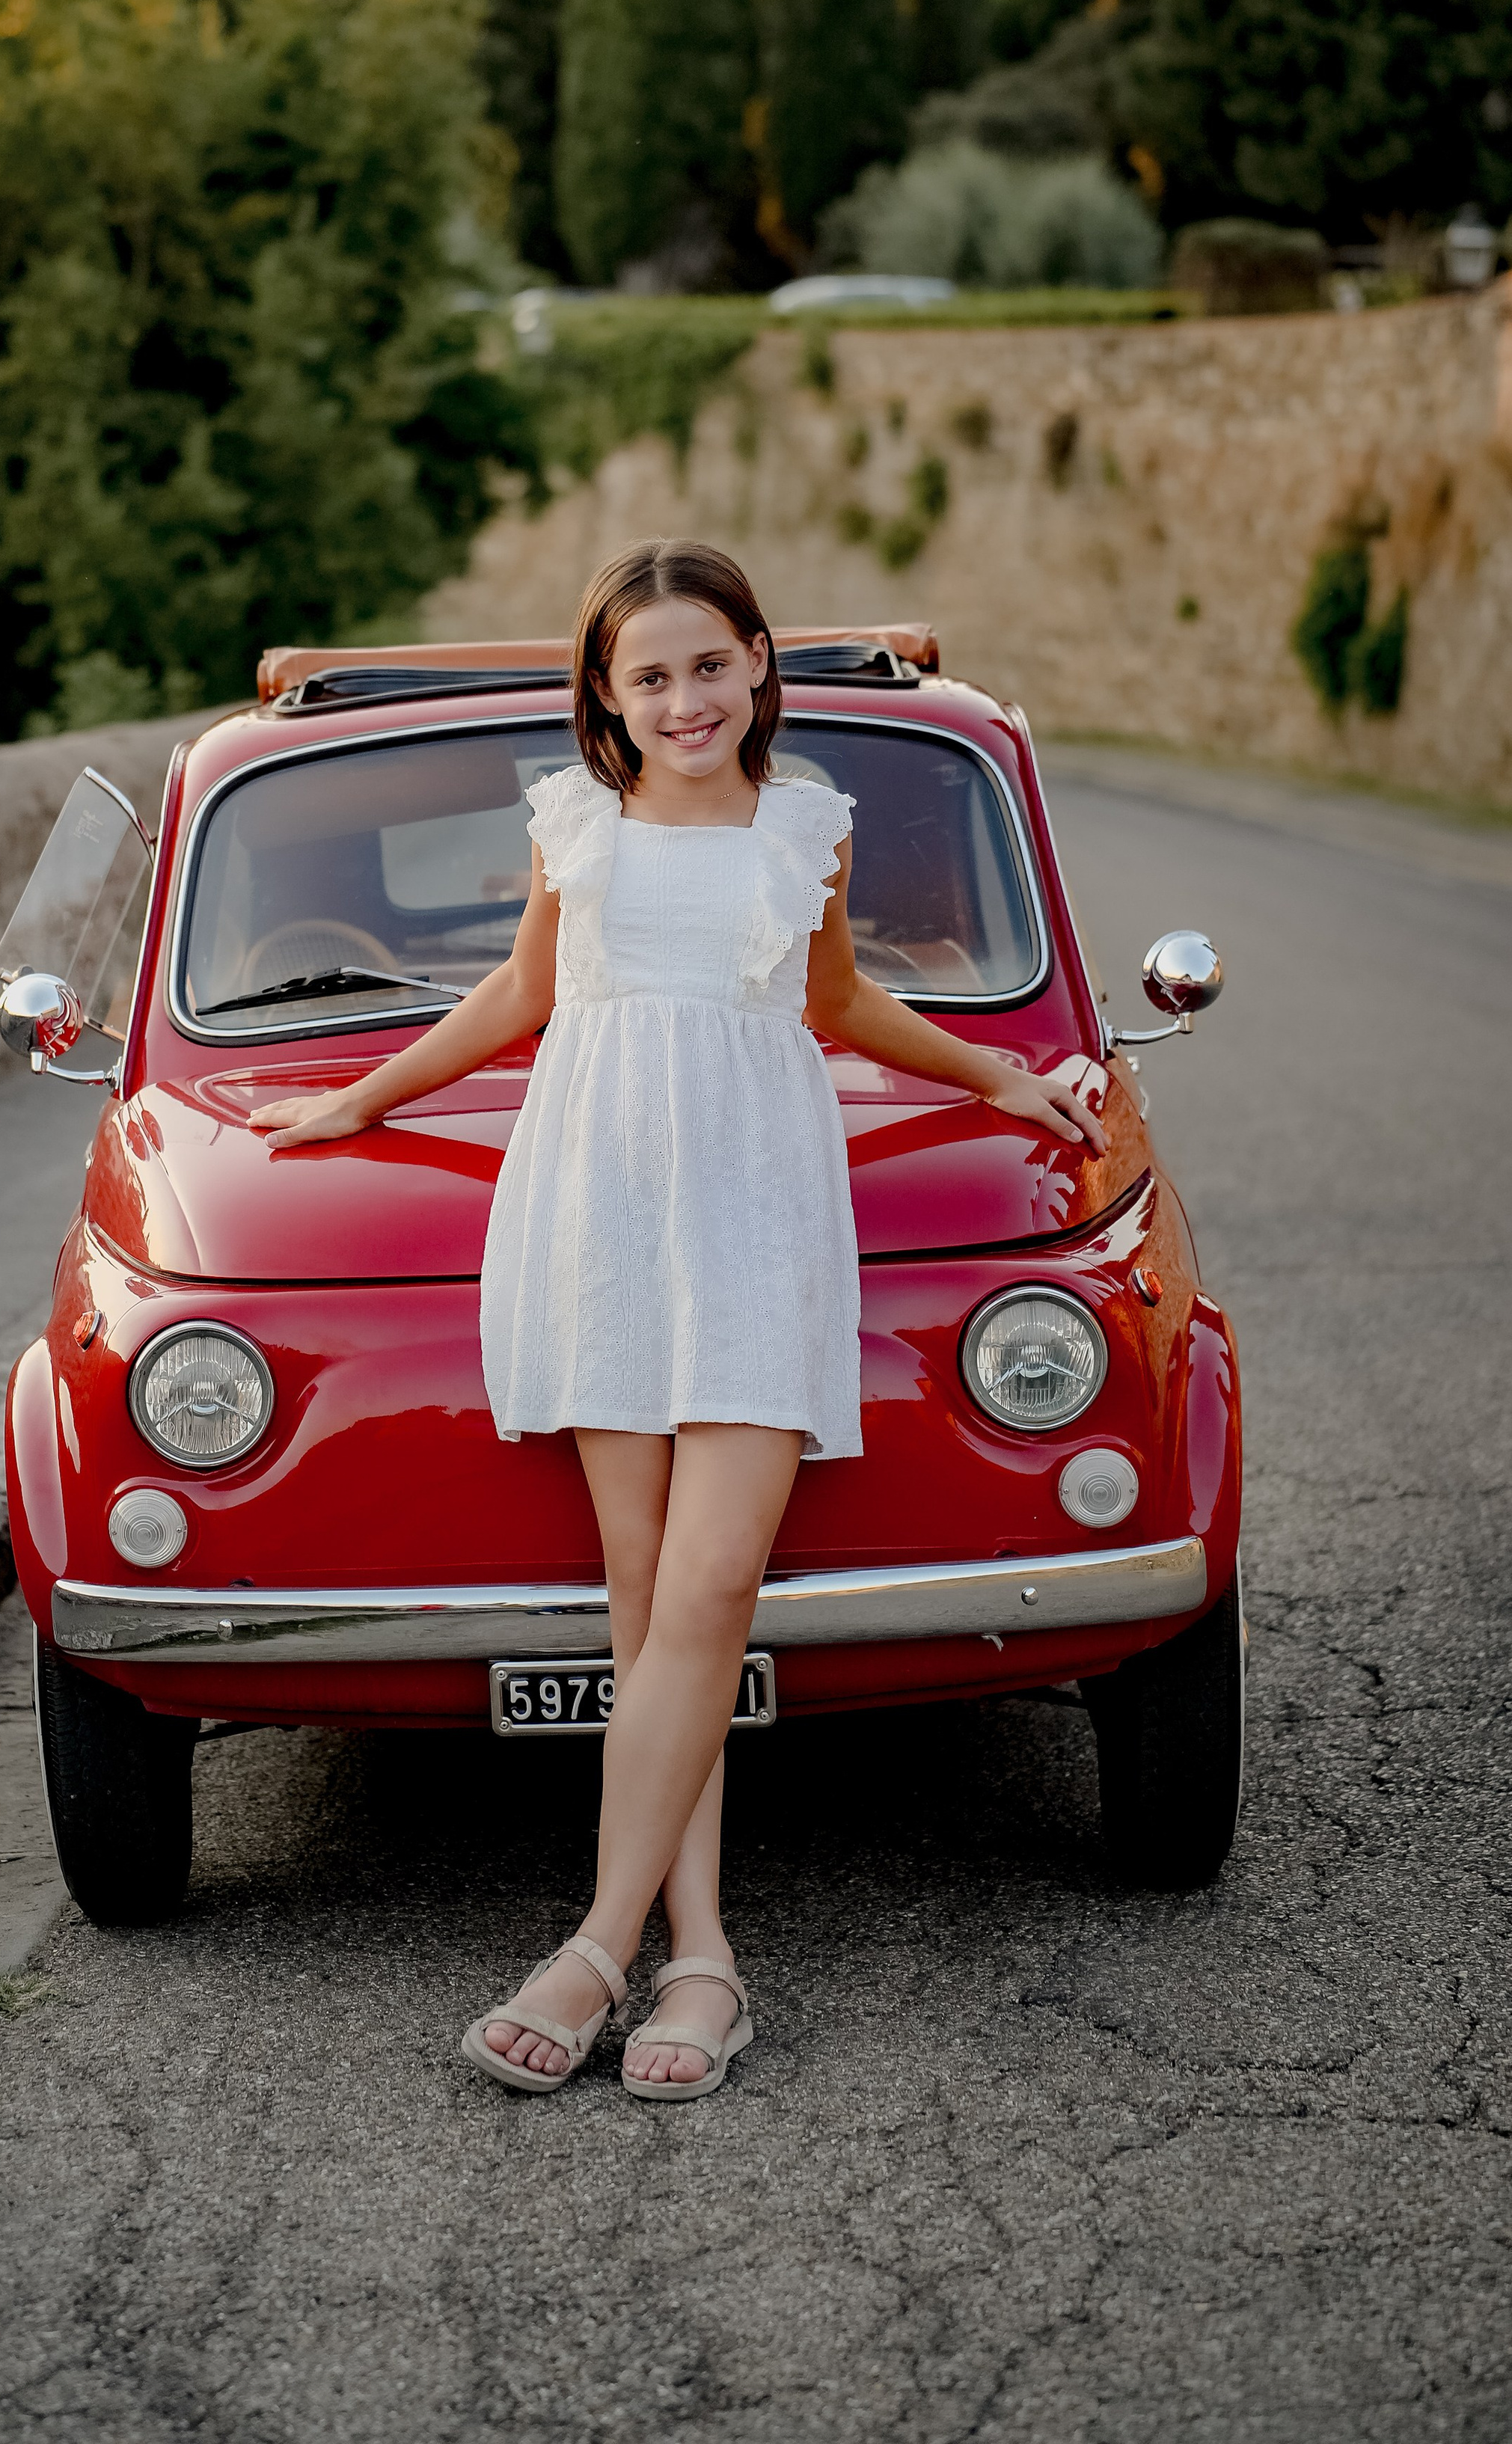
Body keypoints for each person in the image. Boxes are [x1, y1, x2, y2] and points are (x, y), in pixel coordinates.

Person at [250, 542, 1107, 2101]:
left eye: (709, 664)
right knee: (646, 1602)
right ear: (605, 693)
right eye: (648, 675)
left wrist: (1002, 1075)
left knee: (712, 1589)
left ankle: (592, 1945)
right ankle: (700, 1960)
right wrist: (360, 1098)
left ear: (759, 663)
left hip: (759, 1211)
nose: (683, 699)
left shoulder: (804, 828)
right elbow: (520, 995)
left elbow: (839, 1004)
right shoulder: (576, 824)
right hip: (599, 1212)